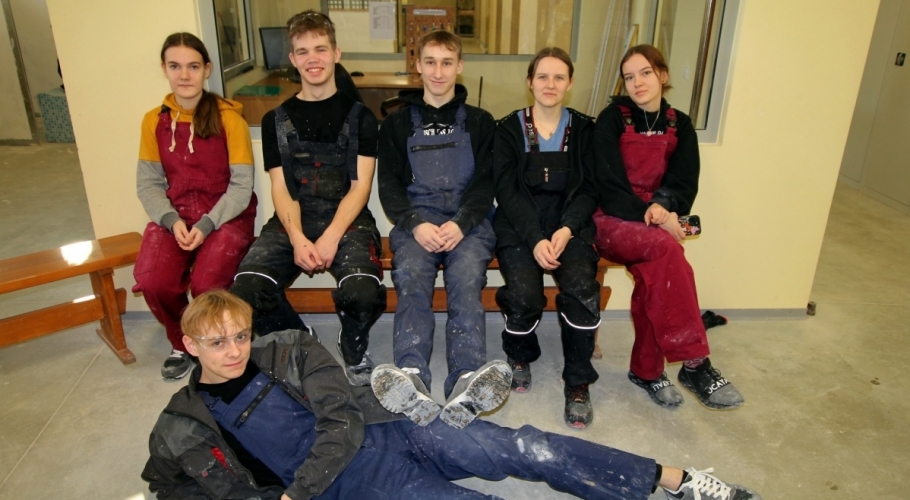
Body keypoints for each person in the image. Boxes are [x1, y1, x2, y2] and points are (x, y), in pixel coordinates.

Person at [141, 289, 763, 500]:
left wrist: (293, 493)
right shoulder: (179, 426)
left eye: (241, 335)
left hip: (391, 428)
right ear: (189, 345)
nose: (235, 350)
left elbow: (342, 421)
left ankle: (675, 478)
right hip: (353, 485)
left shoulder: (289, 349)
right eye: (217, 342)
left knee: (525, 448)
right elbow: (167, 487)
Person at [230, 11, 386, 386]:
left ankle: (352, 348)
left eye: (320, 49)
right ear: (293, 59)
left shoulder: (361, 118)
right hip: (293, 219)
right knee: (246, 288)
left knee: (364, 293)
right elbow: (281, 188)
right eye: (303, 51)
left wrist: (331, 236)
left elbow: (360, 186)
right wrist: (298, 238)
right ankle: (300, 341)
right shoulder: (275, 121)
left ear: (336, 53)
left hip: (348, 220)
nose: (312, 59)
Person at [590, 44, 744, 410]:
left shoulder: (680, 124)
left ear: (663, 75)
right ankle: (695, 363)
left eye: (645, 73)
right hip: (610, 218)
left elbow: (684, 181)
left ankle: (647, 371)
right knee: (665, 249)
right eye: (629, 77)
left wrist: (664, 206)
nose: (638, 82)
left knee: (657, 271)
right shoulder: (612, 119)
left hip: (656, 217)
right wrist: (653, 213)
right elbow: (607, 185)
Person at [377, 31, 500, 407]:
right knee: (411, 275)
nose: (438, 71)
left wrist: (462, 223)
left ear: (459, 66)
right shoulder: (396, 124)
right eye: (430, 62)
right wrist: (415, 224)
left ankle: (466, 377)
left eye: (447, 63)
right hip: (418, 222)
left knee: (465, 279)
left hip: (469, 223)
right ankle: (411, 375)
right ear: (417, 66)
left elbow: (485, 184)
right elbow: (389, 187)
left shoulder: (481, 122)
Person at [134, 32, 257, 380]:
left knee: (207, 285)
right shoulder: (152, 121)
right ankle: (183, 341)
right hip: (175, 215)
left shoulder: (229, 120)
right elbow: (148, 184)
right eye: (175, 66)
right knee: (154, 281)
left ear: (207, 70)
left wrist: (206, 225)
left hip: (225, 215)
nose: (184, 75)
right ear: (164, 69)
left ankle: (217, 344)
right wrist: (171, 221)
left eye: (193, 66)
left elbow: (241, 187)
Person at [491, 47, 601, 428]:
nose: (550, 84)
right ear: (530, 82)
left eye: (559, 77)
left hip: (571, 224)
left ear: (570, 83)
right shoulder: (508, 129)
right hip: (520, 224)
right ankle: (520, 354)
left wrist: (567, 229)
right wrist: (536, 237)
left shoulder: (585, 129)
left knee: (581, 289)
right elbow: (507, 191)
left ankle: (578, 382)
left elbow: (589, 189)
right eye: (542, 76)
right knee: (524, 293)